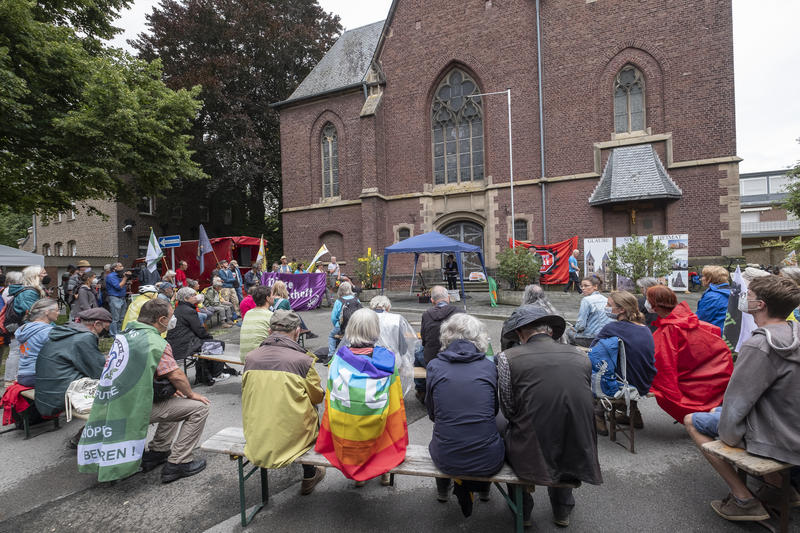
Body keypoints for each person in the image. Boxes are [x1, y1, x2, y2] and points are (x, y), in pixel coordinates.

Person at [684, 275, 800, 522]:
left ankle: (744, 500)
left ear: (761, 305)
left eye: (749, 295)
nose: (743, 298)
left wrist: (729, 438)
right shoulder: (794, 332)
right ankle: (781, 487)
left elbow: (737, 404)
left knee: (692, 420)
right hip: (792, 427)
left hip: (776, 438)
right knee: (716, 415)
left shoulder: (759, 344)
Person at [78, 299, 211, 483]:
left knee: (173, 401)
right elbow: (176, 375)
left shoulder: (125, 335)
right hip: (134, 406)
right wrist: (191, 394)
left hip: (115, 402)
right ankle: (178, 463)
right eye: (172, 317)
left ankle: (158, 451)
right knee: (199, 408)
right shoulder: (155, 341)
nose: (174, 321)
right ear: (162, 319)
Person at [497, 305, 603, 528]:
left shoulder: (507, 358)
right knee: (563, 432)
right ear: (551, 332)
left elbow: (508, 407)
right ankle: (562, 510)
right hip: (578, 440)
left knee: (507, 430)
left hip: (531, 444)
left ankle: (523, 512)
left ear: (519, 334)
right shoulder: (580, 355)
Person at [315, 308, 407, 486]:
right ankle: (383, 470)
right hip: (377, 428)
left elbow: (331, 399)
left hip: (347, 432)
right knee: (389, 416)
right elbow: (395, 402)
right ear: (375, 330)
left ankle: (357, 468)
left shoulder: (336, 361)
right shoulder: (388, 361)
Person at [426, 313, 504, 516]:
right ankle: (484, 490)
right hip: (488, 459)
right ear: (479, 338)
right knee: (486, 430)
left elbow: (432, 413)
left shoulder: (434, 366)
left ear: (446, 337)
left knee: (443, 433)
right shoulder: (488, 367)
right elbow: (494, 410)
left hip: (446, 457)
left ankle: (443, 490)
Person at [241, 309, 326, 494]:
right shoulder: (303, 360)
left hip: (256, 437)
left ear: (270, 332)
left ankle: (309, 473)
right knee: (312, 406)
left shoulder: (251, 357)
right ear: (297, 332)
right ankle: (309, 474)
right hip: (291, 439)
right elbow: (318, 396)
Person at [646, 285, 733, 422]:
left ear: (654, 305)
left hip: (692, 384)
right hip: (714, 378)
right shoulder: (690, 320)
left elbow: (663, 366)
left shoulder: (669, 330)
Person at [592, 290, 657, 435]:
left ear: (621, 309)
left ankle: (598, 414)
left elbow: (593, 350)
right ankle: (633, 413)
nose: (606, 308)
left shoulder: (612, 328)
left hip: (626, 384)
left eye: (609, 305)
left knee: (591, 372)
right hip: (645, 382)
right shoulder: (645, 329)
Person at [35, 308, 110, 418]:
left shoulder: (67, 332)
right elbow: (99, 372)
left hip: (45, 394)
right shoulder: (84, 337)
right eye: (106, 328)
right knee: (116, 388)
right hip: (59, 397)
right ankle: (96, 430)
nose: (107, 332)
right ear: (97, 324)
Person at [166, 287, 228, 385]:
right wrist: (209, 338)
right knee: (218, 344)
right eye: (193, 295)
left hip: (177, 343)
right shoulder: (188, 310)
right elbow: (199, 330)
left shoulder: (180, 308)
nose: (196, 296)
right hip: (185, 345)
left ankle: (206, 373)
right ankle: (217, 374)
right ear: (186, 299)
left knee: (212, 343)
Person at [416, 286, 458, 403]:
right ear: (448, 298)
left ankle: (421, 390)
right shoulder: (460, 313)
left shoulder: (426, 314)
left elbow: (424, 340)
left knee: (417, 351)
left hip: (432, 360)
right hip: (456, 357)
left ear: (432, 301)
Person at [369, 295, 417, 395]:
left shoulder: (366, 318)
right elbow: (403, 346)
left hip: (371, 357)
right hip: (393, 358)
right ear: (387, 307)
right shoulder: (396, 319)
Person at [5, 265, 45, 383]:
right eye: (43, 273)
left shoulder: (29, 291)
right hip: (21, 326)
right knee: (16, 351)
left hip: (21, 325)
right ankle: (10, 379)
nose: (45, 275)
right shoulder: (29, 293)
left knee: (18, 351)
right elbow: (33, 313)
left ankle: (13, 378)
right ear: (35, 276)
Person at [15, 298, 60, 387]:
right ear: (47, 312)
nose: (58, 313)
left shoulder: (23, 328)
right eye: (57, 310)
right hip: (38, 376)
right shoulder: (48, 331)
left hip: (22, 375)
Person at [566, 275, 611, 346]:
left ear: (595, 287)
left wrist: (574, 328)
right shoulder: (606, 299)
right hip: (606, 337)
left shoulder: (586, 300)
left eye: (586, 286)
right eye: (581, 286)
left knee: (568, 332)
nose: (583, 288)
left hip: (591, 338)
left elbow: (581, 326)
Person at [239, 286, 273, 363]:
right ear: (267, 298)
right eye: (272, 295)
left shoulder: (248, 313)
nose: (274, 297)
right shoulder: (271, 315)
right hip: (260, 359)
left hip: (244, 357)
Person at [327, 281, 360, 357]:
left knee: (332, 336)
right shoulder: (356, 299)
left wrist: (337, 325)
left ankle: (331, 354)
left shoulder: (339, 301)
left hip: (342, 326)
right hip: (355, 326)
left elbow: (333, 317)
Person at [695, 265, 731, 335]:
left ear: (710, 278)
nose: (701, 279)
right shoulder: (730, 292)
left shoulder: (712, 297)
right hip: (728, 334)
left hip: (714, 335)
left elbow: (701, 319)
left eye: (703, 276)